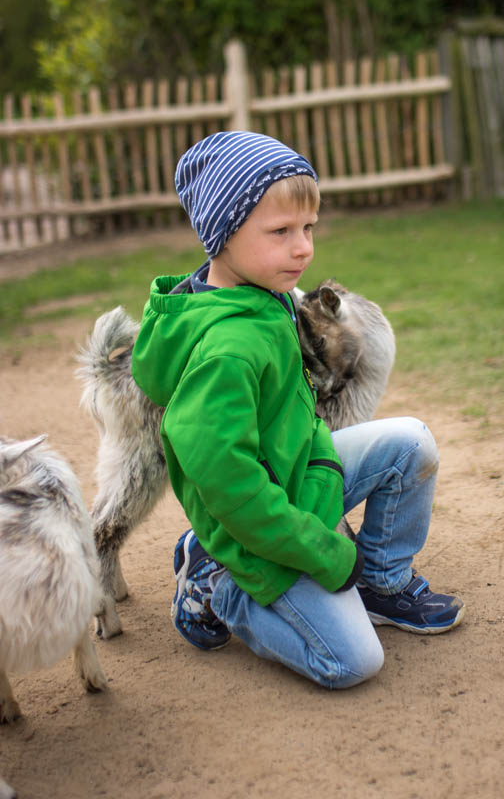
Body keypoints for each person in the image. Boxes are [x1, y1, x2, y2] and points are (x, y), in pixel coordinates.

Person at [131, 130, 464, 689]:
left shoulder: (273, 300)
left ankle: (382, 583)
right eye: (281, 231)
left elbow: (301, 413)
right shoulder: (225, 353)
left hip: (295, 485)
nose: (303, 247)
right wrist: (328, 553)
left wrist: (321, 478)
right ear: (223, 234)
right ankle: (220, 587)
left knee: (411, 443)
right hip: (253, 530)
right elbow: (236, 491)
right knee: (354, 662)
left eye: (308, 228)